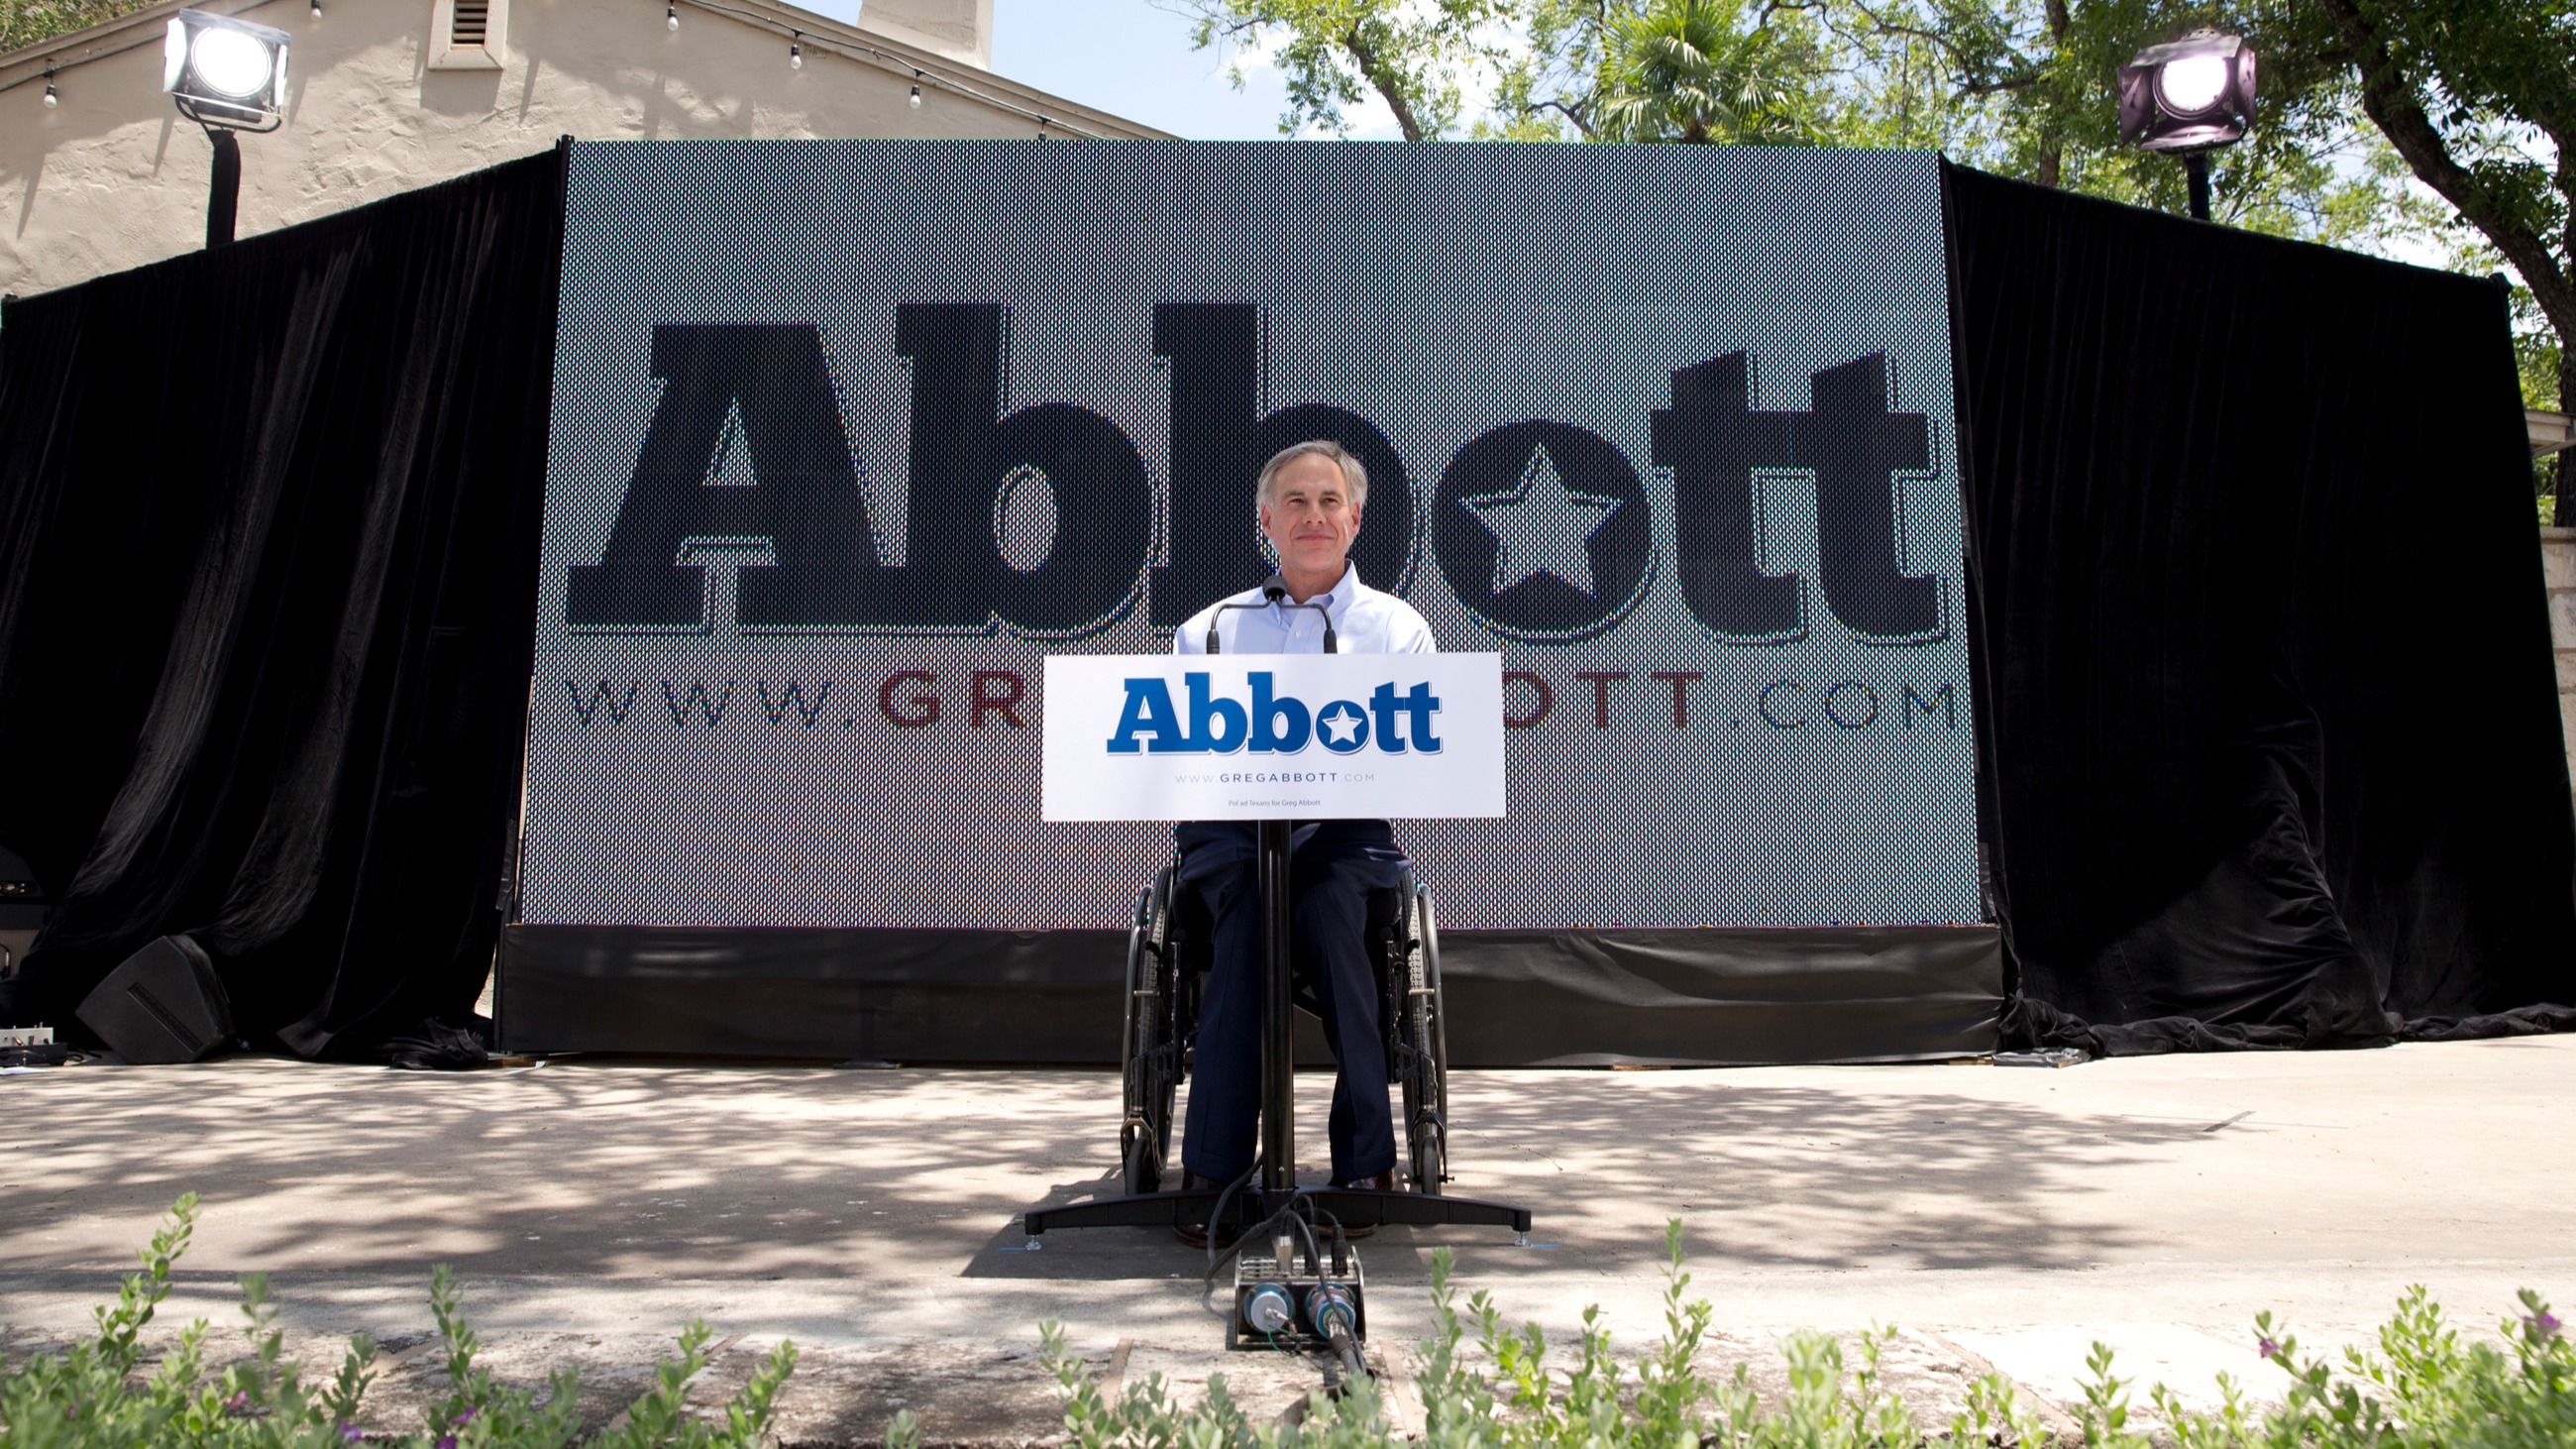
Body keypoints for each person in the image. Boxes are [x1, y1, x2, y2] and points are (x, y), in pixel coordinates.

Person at [1169, 439, 1434, 1245]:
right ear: (1265, 521)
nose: (1312, 516)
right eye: (1295, 502)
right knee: (1249, 908)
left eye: (1328, 502)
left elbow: (1420, 763)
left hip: (1346, 841)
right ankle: (1212, 1167)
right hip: (1234, 839)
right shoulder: (1209, 631)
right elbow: (1175, 764)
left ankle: (1365, 1161)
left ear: (1355, 519)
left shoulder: (1396, 630)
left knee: (1326, 906)